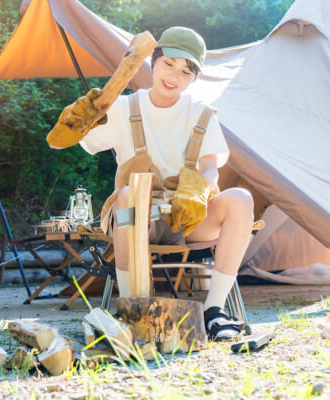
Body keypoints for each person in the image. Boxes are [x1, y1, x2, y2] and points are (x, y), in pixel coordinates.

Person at [49, 27, 254, 340]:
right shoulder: (121, 107)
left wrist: (200, 190)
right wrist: (80, 121)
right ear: (153, 62)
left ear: (194, 79)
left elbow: (211, 169)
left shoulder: (202, 114)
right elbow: (63, 144)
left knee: (241, 198)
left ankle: (214, 312)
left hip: (186, 218)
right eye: (169, 64)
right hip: (133, 219)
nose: (174, 76)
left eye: (186, 71)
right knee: (130, 194)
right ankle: (132, 312)